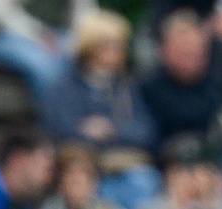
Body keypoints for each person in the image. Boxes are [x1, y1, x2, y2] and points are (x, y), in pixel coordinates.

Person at [43, 11, 155, 197]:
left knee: (145, 182)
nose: (118, 53)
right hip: (78, 169)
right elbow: (61, 131)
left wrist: (111, 129)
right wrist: (88, 135)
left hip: (120, 168)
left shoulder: (126, 86)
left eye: (120, 47)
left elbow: (146, 130)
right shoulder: (66, 85)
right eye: (111, 47)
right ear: (91, 48)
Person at [142, 8, 222, 162]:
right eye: (184, 53)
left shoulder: (218, 87)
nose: (191, 61)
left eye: (197, 54)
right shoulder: (148, 89)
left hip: (214, 164)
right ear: (164, 50)